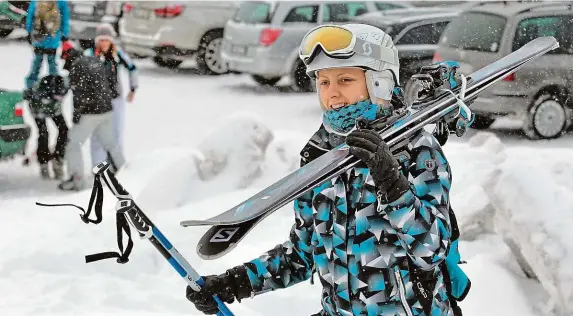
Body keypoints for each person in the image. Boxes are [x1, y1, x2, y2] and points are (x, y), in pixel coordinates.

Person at [184, 24, 471, 316]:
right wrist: (235, 283)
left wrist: (392, 183)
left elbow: (431, 250)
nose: (332, 93)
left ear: (379, 82)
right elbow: (304, 252)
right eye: (323, 82)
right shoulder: (320, 155)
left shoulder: (418, 150)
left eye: (345, 79)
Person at [57, 41, 126, 191]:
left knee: (74, 144)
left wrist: (77, 116)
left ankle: (77, 180)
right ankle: (125, 172)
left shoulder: (77, 67)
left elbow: (80, 94)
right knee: (110, 144)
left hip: (89, 113)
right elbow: (110, 82)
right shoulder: (94, 61)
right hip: (106, 111)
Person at [84, 23, 138, 170]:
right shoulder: (90, 54)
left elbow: (132, 68)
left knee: (116, 133)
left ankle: (116, 164)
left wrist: (133, 88)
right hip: (97, 101)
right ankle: (100, 167)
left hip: (116, 99)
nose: (104, 43)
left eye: (106, 40)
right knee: (98, 136)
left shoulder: (117, 54)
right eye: (101, 40)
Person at [23, 74, 69, 179]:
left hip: (54, 107)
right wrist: (39, 97)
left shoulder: (64, 84)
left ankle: (58, 160)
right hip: (38, 107)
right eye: (58, 96)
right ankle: (43, 162)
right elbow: (27, 95)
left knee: (64, 130)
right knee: (44, 133)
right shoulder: (37, 92)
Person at [25, 0, 70, 89]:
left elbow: (30, 15)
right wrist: (65, 34)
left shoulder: (36, 1)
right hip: (53, 38)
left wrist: (29, 31)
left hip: (39, 37)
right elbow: (65, 17)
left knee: (36, 63)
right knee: (52, 63)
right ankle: (54, 86)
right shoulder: (61, 2)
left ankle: (30, 86)